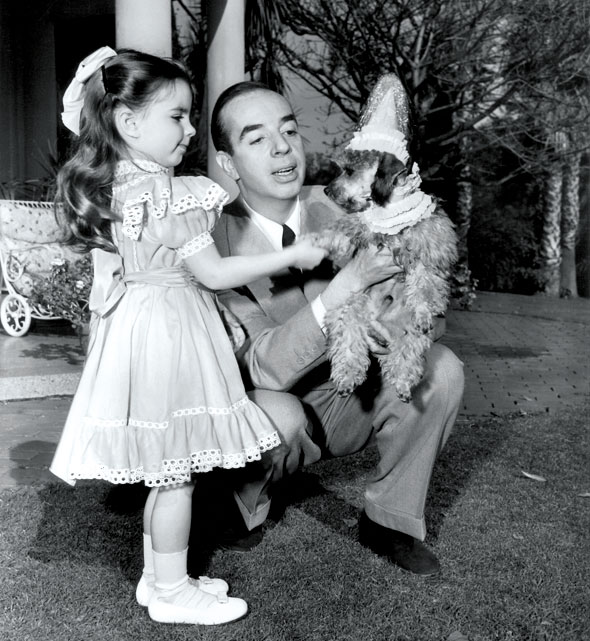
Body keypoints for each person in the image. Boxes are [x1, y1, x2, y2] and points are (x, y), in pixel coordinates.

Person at [49, 49, 326, 626]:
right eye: (176, 116)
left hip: (140, 331)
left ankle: (159, 578)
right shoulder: (172, 195)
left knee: (165, 467)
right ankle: (172, 591)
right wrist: (294, 253)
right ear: (129, 124)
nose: (189, 129)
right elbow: (215, 274)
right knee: (176, 477)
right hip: (170, 334)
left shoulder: (122, 186)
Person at [209, 81, 465, 576]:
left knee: (444, 369)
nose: (282, 148)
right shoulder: (211, 244)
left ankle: (389, 520)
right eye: (256, 138)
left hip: (353, 396)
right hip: (270, 405)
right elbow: (260, 365)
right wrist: (348, 285)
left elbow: (432, 309)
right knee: (279, 417)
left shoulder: (356, 204)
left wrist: (391, 324)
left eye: (288, 130)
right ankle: (242, 502)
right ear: (227, 162)